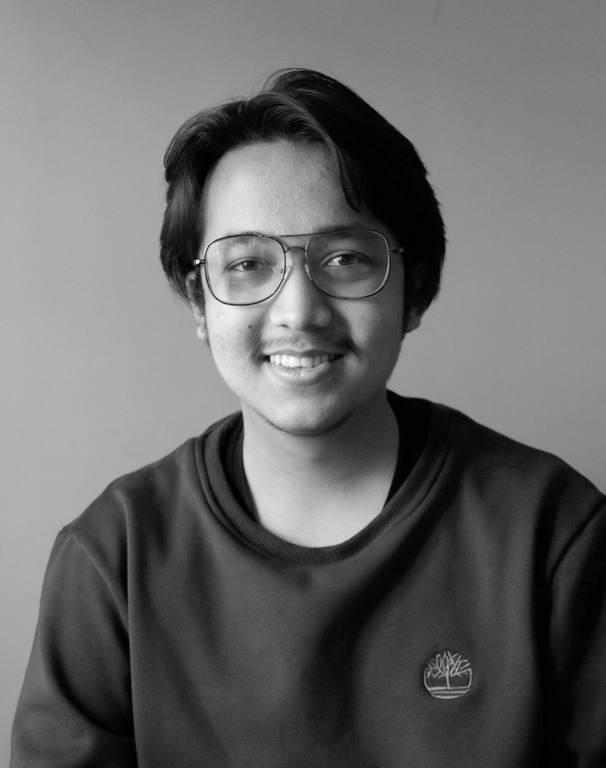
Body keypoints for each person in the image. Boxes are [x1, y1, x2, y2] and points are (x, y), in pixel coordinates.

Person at [11, 68, 606, 767]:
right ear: (199, 302)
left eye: (346, 258)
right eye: (248, 264)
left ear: (415, 289)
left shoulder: (552, 533)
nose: (299, 311)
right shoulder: (114, 557)